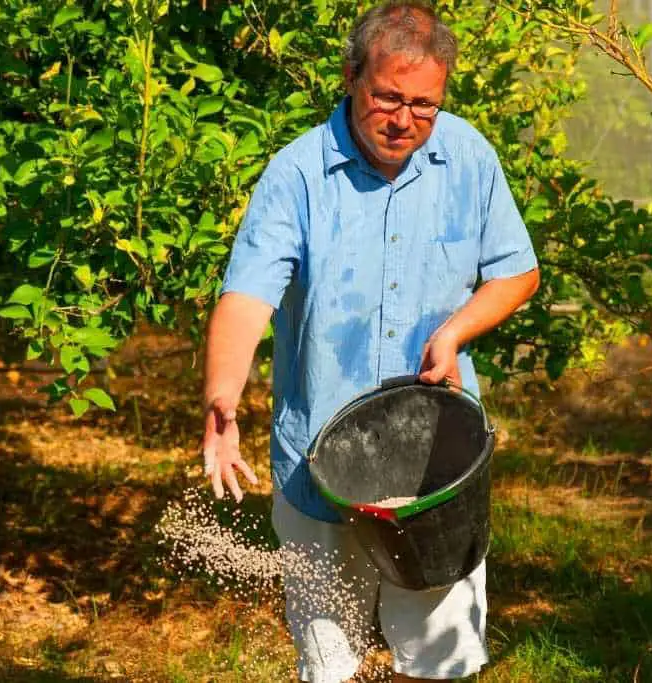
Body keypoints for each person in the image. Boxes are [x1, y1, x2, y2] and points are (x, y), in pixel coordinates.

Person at [199, 2, 540, 681]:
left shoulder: (468, 157)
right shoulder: (296, 175)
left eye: (425, 104)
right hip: (319, 464)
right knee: (327, 662)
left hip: (434, 465)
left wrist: (455, 331)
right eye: (388, 96)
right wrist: (221, 397)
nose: (404, 119)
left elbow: (517, 272)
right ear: (352, 76)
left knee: (441, 658)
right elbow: (247, 296)